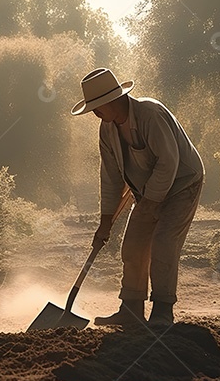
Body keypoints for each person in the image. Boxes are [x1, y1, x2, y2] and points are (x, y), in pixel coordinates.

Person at [71, 68, 204, 327]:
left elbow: (168, 162)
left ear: (112, 100)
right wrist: (105, 222)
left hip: (182, 185)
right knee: (133, 246)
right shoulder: (106, 130)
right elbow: (111, 178)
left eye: (97, 107)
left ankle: (163, 311)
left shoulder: (150, 114)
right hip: (146, 192)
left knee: (163, 243)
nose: (95, 113)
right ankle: (131, 310)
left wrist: (151, 203)